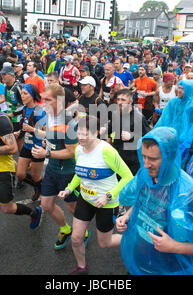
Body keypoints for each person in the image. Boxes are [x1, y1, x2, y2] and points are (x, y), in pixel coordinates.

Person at [115, 127, 193, 275]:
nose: (145, 164)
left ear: (169, 157)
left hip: (169, 267)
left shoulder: (190, 195)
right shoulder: (145, 176)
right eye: (144, 156)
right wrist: (126, 216)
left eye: (153, 159)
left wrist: (174, 246)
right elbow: (142, 201)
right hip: (140, 259)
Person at [58, 115, 133, 275]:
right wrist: (69, 189)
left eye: (85, 134)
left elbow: (128, 177)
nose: (81, 137)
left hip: (106, 203)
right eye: (78, 133)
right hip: (85, 199)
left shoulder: (106, 151)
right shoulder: (79, 149)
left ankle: (134, 238)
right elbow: (80, 173)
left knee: (104, 243)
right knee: (76, 238)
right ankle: (81, 266)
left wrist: (108, 196)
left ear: (97, 132)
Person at [0, 88, 42, 256]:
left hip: (4, 172)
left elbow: (12, 148)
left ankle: (34, 212)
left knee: (7, 208)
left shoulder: (1, 121)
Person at [31, 84, 85, 250]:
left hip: (68, 172)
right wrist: (49, 143)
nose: (43, 102)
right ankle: (65, 229)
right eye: (43, 99)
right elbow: (54, 139)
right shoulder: (49, 115)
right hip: (53, 169)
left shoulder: (69, 121)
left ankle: (83, 232)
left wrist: (46, 154)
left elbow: (71, 152)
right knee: (46, 205)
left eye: (48, 99)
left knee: (71, 207)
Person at [106, 88, 151, 176]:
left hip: (133, 161)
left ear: (130, 101)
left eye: (123, 100)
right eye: (118, 99)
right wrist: (107, 136)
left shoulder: (138, 117)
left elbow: (148, 138)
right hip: (118, 158)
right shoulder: (116, 114)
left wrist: (132, 135)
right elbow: (109, 129)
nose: (119, 102)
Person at [15, 84, 46, 201]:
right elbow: (25, 126)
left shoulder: (39, 111)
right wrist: (19, 132)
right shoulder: (25, 109)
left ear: (32, 96)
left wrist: (32, 129)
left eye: (25, 93)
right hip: (27, 146)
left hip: (38, 148)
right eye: (22, 93)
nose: (22, 96)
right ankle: (39, 185)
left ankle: (40, 188)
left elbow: (46, 133)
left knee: (35, 176)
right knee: (20, 174)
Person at [155, 78, 193, 145]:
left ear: (189, 90)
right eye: (179, 88)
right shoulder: (173, 102)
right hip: (171, 138)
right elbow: (164, 120)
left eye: (183, 89)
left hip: (187, 142)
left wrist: (188, 140)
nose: (179, 91)